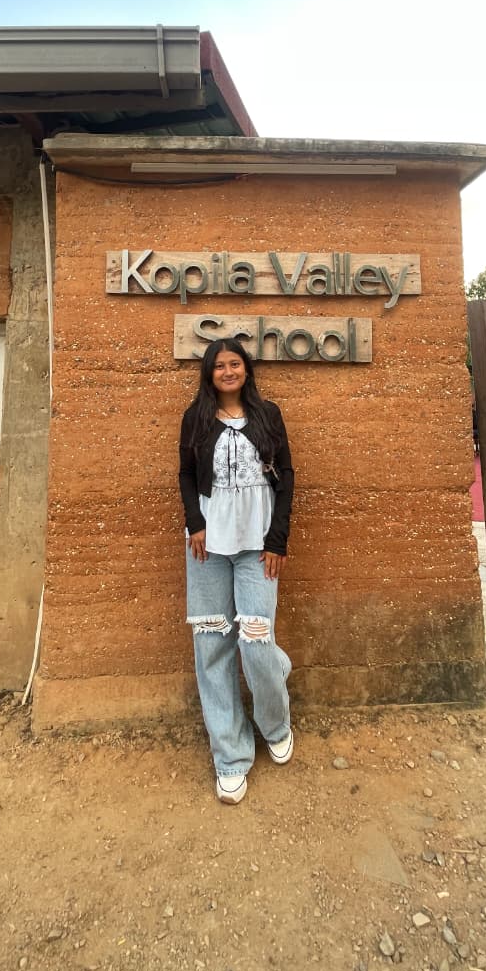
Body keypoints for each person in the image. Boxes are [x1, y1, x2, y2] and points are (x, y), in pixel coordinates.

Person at [178, 337, 295, 805]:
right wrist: (195, 524)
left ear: (246, 370)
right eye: (219, 366)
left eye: (235, 364)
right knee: (212, 645)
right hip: (207, 544)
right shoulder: (196, 418)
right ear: (209, 374)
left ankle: (275, 723)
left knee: (256, 638)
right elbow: (186, 475)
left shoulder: (269, 415)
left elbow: (287, 477)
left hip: (257, 544)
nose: (228, 371)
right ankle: (230, 756)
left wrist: (278, 540)